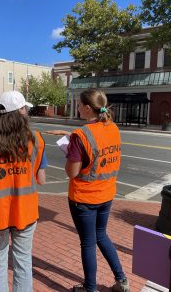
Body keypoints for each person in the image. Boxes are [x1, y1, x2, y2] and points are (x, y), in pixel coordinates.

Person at [46, 89, 129, 292]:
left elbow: (72, 173)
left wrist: (70, 147)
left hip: (84, 198)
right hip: (107, 194)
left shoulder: (81, 136)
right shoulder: (113, 128)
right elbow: (97, 142)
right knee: (101, 235)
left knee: (88, 243)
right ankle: (122, 280)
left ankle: (90, 288)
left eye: (79, 104)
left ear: (87, 108)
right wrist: (70, 135)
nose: (77, 107)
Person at [0, 91, 47, 292]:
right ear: (20, 112)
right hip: (25, 211)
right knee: (23, 262)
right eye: (24, 108)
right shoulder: (35, 140)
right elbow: (41, 179)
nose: (26, 111)